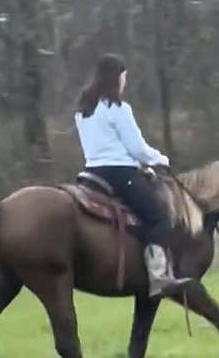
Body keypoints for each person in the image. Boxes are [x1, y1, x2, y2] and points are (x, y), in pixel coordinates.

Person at [74, 54, 190, 298]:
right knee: (159, 216)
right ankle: (158, 276)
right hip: (119, 174)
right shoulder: (118, 108)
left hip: (90, 174)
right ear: (116, 78)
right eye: (124, 77)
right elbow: (137, 148)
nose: (125, 83)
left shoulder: (83, 109)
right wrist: (160, 160)